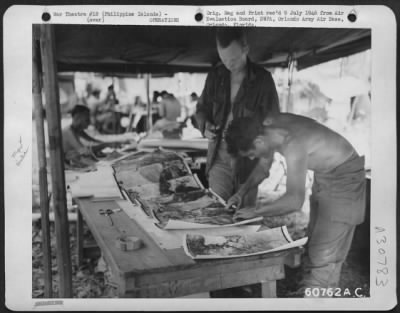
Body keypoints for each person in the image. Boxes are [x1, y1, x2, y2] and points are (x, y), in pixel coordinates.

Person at [224, 113, 366, 297]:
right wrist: (240, 193)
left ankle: (318, 298)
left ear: (258, 141)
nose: (252, 159)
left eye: (251, 154)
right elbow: (262, 169)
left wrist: (257, 211)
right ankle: (308, 293)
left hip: (345, 177)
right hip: (326, 174)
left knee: (324, 254)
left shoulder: (294, 144)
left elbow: (294, 200)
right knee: (314, 241)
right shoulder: (267, 125)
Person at [195, 27, 279, 208]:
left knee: (243, 218)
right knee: (216, 211)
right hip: (219, 156)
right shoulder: (215, 76)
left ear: (246, 49)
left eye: (233, 59)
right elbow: (201, 109)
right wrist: (205, 126)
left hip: (248, 161)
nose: (228, 64)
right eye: (223, 59)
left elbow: (273, 123)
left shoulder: (263, 80)